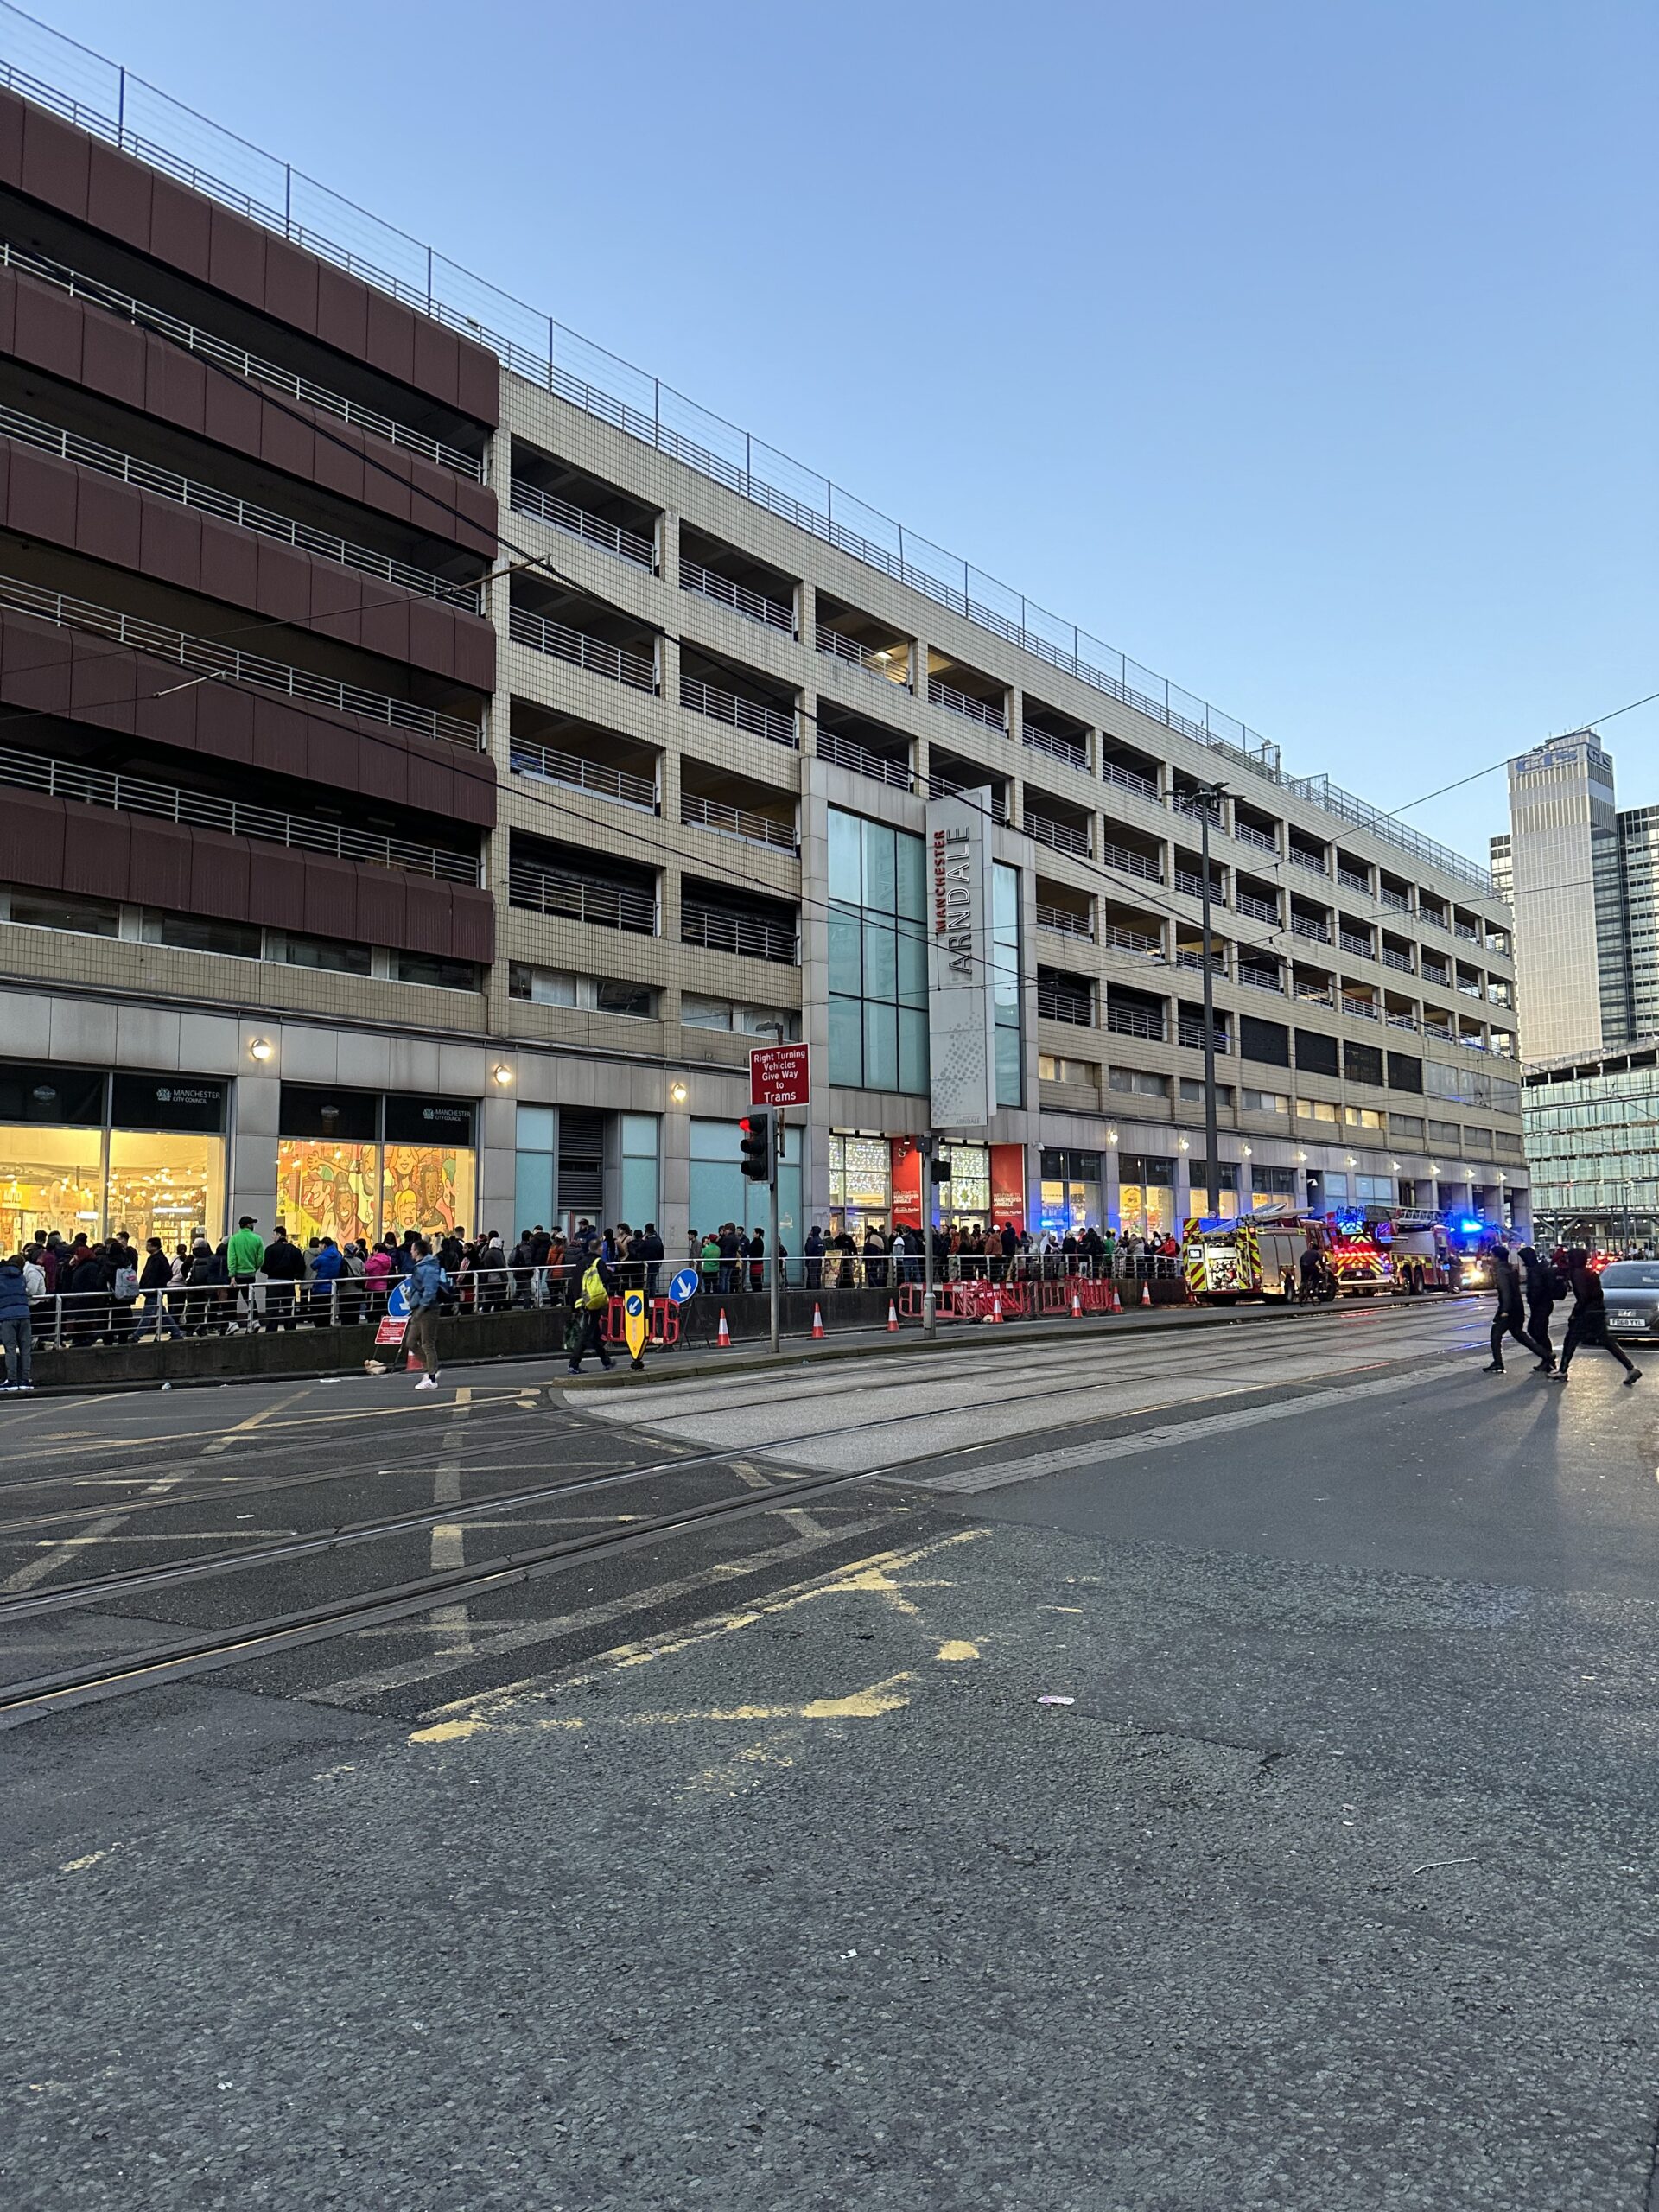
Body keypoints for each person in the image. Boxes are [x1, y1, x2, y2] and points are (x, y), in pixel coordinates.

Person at [365, 1236, 446, 1390]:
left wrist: (420, 1307)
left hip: (428, 1309)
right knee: (410, 1341)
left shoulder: (428, 1267)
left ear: (418, 1251)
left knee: (427, 1343)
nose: (410, 1252)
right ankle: (430, 1368)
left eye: (412, 1250)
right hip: (418, 1308)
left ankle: (432, 1377)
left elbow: (429, 1291)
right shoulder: (421, 1266)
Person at [1551, 1249, 1642, 1385]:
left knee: (1571, 1339)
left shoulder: (1577, 1273)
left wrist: (1575, 1313)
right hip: (1597, 1310)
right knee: (1606, 1340)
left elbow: (1583, 1297)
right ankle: (1630, 1367)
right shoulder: (1590, 1272)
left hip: (1586, 1313)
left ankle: (1563, 1370)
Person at [1482, 1243, 1554, 1375]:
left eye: (1491, 1256)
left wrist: (1504, 1310)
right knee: (1521, 1336)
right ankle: (1547, 1355)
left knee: (1496, 1335)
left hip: (1508, 1310)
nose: (1490, 1259)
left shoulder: (1501, 1272)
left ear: (1497, 1258)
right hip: (1517, 1309)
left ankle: (1498, 1363)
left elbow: (1506, 1292)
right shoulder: (1510, 1270)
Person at [568, 1242, 618, 1375]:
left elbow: (572, 1285)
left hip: (580, 1301)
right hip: (592, 1302)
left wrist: (573, 1306)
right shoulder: (598, 1262)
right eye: (602, 1248)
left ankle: (606, 1361)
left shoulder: (580, 1263)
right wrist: (609, 1272)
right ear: (599, 1249)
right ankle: (573, 1364)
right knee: (585, 1334)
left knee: (595, 1334)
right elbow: (606, 1279)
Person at [1518, 1244, 1564, 1372]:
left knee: (1537, 1331)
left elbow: (1537, 1290)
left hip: (1541, 1305)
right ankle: (1547, 1358)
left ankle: (1548, 1358)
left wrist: (1532, 1298)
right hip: (1543, 1304)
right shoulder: (1539, 1268)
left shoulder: (1535, 1271)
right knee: (1536, 1331)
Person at [131, 1236, 183, 1342]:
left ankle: (137, 1335)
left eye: (149, 1245)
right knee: (162, 1313)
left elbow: (167, 1274)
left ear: (155, 1246)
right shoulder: (156, 1259)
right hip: (153, 1290)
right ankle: (176, 1332)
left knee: (147, 1314)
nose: (147, 1247)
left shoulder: (158, 1259)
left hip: (153, 1291)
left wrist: (155, 1284)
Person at [0, 1250, 33, 1392]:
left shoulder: (1, 1277)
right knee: (25, 1349)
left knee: (10, 1348)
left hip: (7, 1315)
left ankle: (12, 1380)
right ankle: (25, 1380)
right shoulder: (21, 1277)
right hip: (24, 1313)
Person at [261, 1226, 304, 1329]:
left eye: (274, 1234)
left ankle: (271, 1329)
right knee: (289, 1308)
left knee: (272, 1309)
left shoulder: (270, 1249)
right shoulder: (295, 1250)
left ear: (279, 1235)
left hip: (273, 1282)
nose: (273, 1237)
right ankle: (290, 1328)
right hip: (289, 1282)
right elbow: (301, 1267)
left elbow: (265, 1266)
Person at [226, 1216, 264, 1331]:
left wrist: (232, 1275)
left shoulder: (234, 1239)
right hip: (250, 1274)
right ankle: (255, 1321)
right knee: (250, 1298)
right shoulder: (257, 1239)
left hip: (237, 1275)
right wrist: (254, 1268)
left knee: (232, 1299)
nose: (253, 1225)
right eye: (252, 1223)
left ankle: (233, 1323)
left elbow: (232, 1258)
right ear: (248, 1225)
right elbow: (261, 1258)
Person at [804, 1224, 824, 1291]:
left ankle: (813, 1290)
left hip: (812, 1260)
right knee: (817, 1275)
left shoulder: (812, 1241)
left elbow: (808, 1250)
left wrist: (808, 1240)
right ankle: (817, 1288)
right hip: (819, 1260)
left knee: (812, 1275)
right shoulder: (820, 1241)